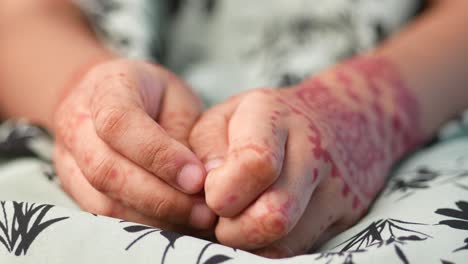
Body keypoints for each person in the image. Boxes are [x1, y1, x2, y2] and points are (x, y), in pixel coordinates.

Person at [0, 0, 467, 258]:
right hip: (75, 109)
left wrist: (368, 111)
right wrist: (85, 100)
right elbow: (19, 17)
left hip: (424, 101)